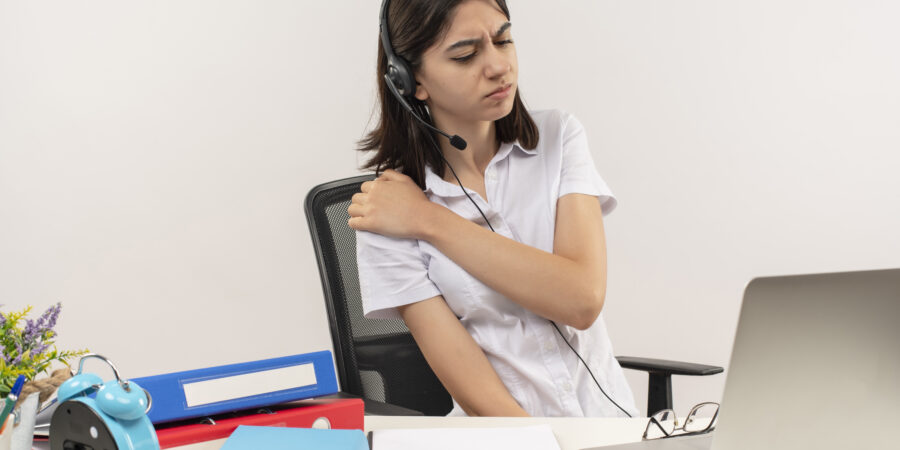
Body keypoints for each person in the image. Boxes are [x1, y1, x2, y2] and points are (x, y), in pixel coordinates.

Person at [348, 0, 638, 418]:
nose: (498, 66)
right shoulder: (384, 214)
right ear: (411, 80)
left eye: (504, 40)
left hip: (616, 430)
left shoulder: (559, 139)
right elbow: (481, 399)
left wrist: (429, 220)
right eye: (466, 55)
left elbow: (582, 299)